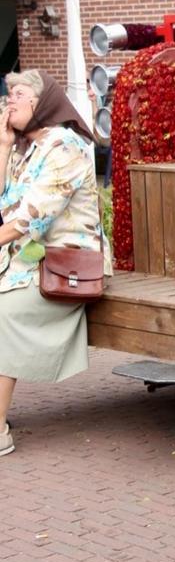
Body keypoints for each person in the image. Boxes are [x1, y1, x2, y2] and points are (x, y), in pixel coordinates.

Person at [0, 70, 108, 457]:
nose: (9, 100)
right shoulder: (25, 147)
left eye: (19, 94)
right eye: (8, 93)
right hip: (27, 258)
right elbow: (5, 206)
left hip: (66, 264)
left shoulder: (65, 145)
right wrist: (3, 146)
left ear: (41, 103)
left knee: (3, 312)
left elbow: (31, 217)